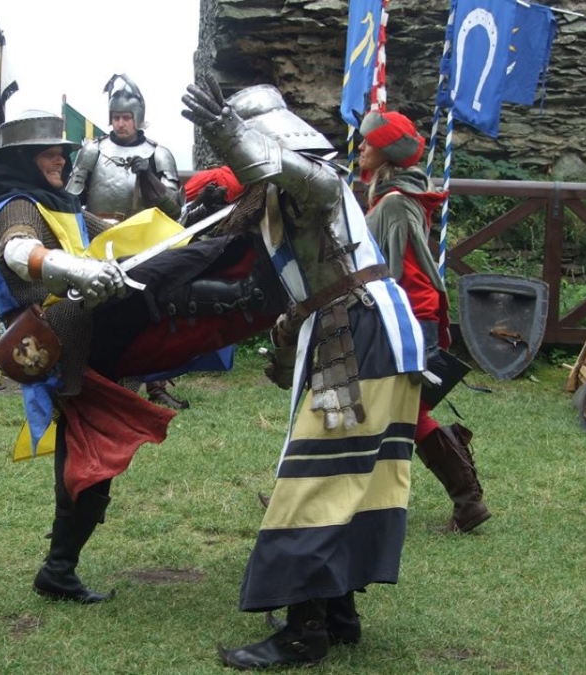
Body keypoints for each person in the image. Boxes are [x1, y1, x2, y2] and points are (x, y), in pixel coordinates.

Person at [181, 76, 426, 670]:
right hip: (366, 331)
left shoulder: (316, 180)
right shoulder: (279, 196)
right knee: (354, 478)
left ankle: (303, 633)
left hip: (360, 332)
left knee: (315, 482)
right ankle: (339, 612)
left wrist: (225, 130)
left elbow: (280, 169)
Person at [0, 109, 176, 604]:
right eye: (49, 155)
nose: (61, 162)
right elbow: (18, 251)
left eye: (62, 154)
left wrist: (179, 225)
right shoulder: (17, 206)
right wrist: (78, 271)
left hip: (90, 343)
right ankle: (58, 569)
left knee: (93, 457)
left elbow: (113, 232)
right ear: (24, 160)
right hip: (63, 350)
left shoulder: (60, 204)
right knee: (88, 458)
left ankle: (60, 567)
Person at [358, 109, 491, 533]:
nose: (360, 148)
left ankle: (468, 501)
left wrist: (411, 331)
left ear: (387, 154)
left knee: (401, 413)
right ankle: (340, 499)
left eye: (369, 143)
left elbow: (410, 274)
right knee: (378, 410)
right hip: (406, 319)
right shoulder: (394, 197)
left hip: (408, 322)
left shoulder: (396, 203)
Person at [67, 73, 189, 409]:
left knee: (150, 312)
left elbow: (174, 208)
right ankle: (94, 376)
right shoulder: (92, 151)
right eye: (116, 117)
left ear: (138, 118)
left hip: (142, 241)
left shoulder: (158, 154)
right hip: (99, 239)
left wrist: (148, 177)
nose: (121, 123)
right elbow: (71, 199)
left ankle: (156, 382)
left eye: (126, 117)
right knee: (96, 311)